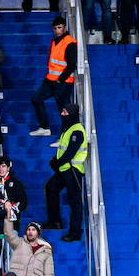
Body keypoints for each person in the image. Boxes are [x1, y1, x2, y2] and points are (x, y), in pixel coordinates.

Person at [43, 104, 86, 242]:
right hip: (64, 169)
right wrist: (56, 161)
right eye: (62, 110)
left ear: (72, 113)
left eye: (65, 111)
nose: (62, 114)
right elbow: (64, 150)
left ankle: (75, 233)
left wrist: (57, 162)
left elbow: (70, 152)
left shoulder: (77, 131)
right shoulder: (68, 128)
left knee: (75, 202)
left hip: (73, 170)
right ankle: (55, 221)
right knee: (51, 188)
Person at [28, 17, 76, 136]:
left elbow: (71, 65)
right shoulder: (54, 41)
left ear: (65, 27)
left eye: (60, 27)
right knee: (36, 99)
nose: (57, 30)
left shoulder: (70, 43)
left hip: (63, 82)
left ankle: (64, 137)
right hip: (50, 80)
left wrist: (60, 80)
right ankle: (44, 127)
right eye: (55, 28)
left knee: (64, 110)